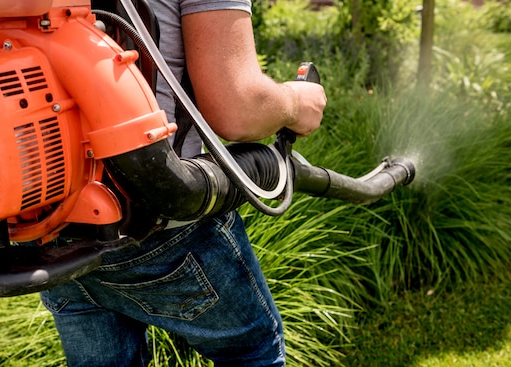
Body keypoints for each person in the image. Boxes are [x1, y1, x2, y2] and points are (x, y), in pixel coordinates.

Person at [39, 0, 327, 365]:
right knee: (250, 351)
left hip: (46, 225)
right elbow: (236, 110)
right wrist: (295, 102)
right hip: (163, 223)